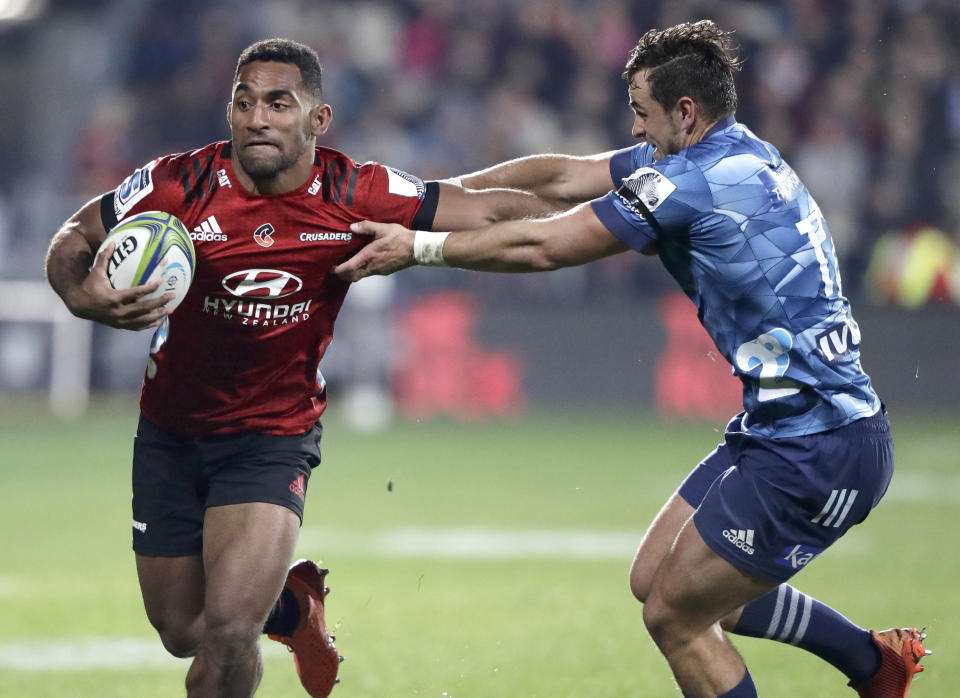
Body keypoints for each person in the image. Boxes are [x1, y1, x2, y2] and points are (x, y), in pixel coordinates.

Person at [335, 20, 931, 698]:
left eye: (643, 114)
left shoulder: (692, 184)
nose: (636, 129)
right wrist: (432, 202)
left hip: (819, 448)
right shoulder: (738, 153)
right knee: (657, 577)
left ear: (685, 112)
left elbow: (545, 246)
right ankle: (870, 663)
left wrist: (418, 249)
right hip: (788, 429)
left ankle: (868, 666)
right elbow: (561, 176)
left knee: (674, 615)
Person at [44, 38, 558, 698]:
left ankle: (262, 612)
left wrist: (598, 221)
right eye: (244, 102)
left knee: (230, 634)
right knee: (182, 630)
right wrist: (78, 292)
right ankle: (293, 608)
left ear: (318, 120)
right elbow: (77, 234)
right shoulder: (180, 182)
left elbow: (488, 208)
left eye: (279, 103)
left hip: (270, 437)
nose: (257, 117)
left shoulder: (357, 190)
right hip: (170, 433)